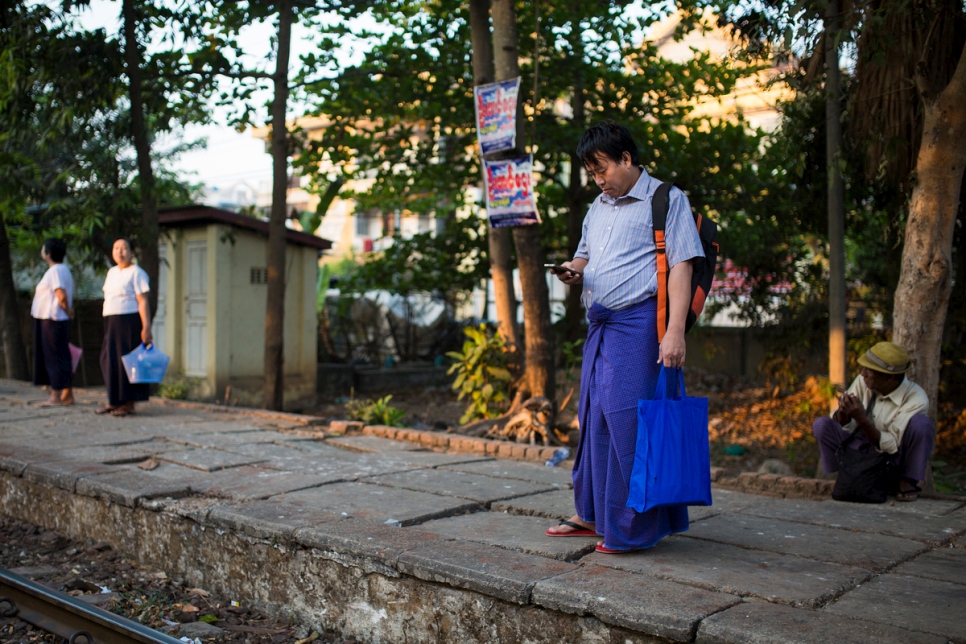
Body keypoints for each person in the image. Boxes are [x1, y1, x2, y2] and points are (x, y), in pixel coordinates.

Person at [545, 120, 705, 553]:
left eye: (602, 170)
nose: (598, 180)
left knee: (627, 423)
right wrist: (571, 271)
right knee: (594, 419)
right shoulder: (598, 206)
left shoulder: (667, 200)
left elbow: (682, 267)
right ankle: (593, 514)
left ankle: (633, 528)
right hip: (600, 325)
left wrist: (674, 333)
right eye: (592, 173)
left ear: (626, 159)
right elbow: (585, 255)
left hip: (638, 327)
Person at [812, 341, 932, 502]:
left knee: (921, 424)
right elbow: (843, 425)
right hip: (861, 449)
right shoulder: (864, 382)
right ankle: (845, 476)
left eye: (869, 370)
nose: (863, 374)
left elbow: (892, 445)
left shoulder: (916, 398)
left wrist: (862, 419)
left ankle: (906, 482)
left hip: (891, 458)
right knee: (822, 425)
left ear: (890, 378)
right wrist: (844, 412)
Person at [97, 238, 153, 417]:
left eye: (124, 248)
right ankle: (114, 401)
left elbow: (143, 302)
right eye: (116, 248)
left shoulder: (137, 273)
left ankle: (128, 403)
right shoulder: (112, 272)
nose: (119, 252)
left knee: (126, 361)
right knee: (108, 359)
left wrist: (146, 327)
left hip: (128, 321)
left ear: (132, 252)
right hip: (111, 321)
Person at [31, 238, 75, 407]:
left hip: (52, 318)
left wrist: (67, 310)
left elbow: (61, 294)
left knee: (53, 356)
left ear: (47, 253)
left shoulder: (55, 271)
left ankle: (55, 396)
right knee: (62, 355)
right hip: (54, 319)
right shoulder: (61, 269)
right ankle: (66, 393)